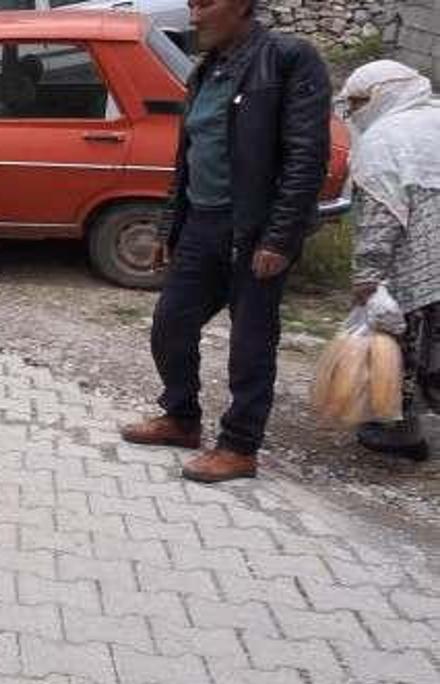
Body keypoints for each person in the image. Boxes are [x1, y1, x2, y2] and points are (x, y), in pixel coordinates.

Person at [120, 0, 331, 483]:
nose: (193, 17)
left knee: (251, 341)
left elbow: (306, 157)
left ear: (240, 5)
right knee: (170, 323)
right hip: (201, 224)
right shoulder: (204, 72)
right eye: (191, 4)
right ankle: (181, 418)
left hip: (254, 229)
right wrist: (168, 225)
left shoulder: (288, 58)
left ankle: (239, 446)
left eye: (204, 4)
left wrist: (279, 238)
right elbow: (187, 157)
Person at [338, 60, 440, 462]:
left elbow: (380, 218)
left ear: (384, 94)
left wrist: (367, 276)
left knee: (401, 350)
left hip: (418, 273)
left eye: (360, 101)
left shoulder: (385, 140)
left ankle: (401, 435)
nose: (356, 112)